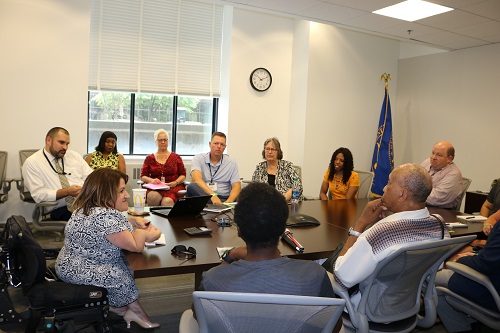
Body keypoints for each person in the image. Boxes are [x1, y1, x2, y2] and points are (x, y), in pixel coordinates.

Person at [55, 168, 162, 329]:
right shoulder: (104, 217)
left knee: (121, 268)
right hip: (79, 270)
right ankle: (129, 310)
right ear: (105, 194)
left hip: (68, 263)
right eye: (121, 191)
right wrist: (150, 234)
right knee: (119, 274)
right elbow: (136, 246)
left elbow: (110, 224)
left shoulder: (88, 208)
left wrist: (132, 220)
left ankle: (129, 310)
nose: (126, 195)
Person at [333, 164, 449, 307]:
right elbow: (434, 268)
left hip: (366, 309)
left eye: (389, 183)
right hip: (408, 306)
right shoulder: (439, 225)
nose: (383, 188)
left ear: (402, 194)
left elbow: (341, 277)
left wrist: (361, 224)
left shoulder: (380, 234)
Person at [199, 182, 334, 296]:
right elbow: (332, 324)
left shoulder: (212, 280)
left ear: (239, 230)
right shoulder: (315, 275)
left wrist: (229, 257)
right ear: (283, 229)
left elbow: (199, 315)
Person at [435, 209, 500, 333]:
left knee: (431, 279)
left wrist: (463, 259)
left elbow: (485, 264)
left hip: (491, 288)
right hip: (492, 277)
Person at [22, 127, 93, 221]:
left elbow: (91, 178)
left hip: (84, 204)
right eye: (61, 142)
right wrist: (67, 192)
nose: (65, 147)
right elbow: (39, 195)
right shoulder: (32, 162)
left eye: (67, 144)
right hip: (60, 208)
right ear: (49, 140)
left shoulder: (74, 156)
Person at [187, 132, 241, 204]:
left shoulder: (231, 163)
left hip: (224, 198)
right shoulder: (198, 159)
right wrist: (213, 195)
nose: (219, 146)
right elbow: (196, 179)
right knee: (191, 187)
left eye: (222, 144)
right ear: (210, 144)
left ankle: (217, 206)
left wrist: (229, 202)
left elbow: (236, 186)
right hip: (205, 195)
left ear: (225, 147)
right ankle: (216, 206)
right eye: (216, 143)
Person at [140, 129, 186, 206]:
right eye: (160, 140)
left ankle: (167, 218)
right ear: (156, 142)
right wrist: (152, 180)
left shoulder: (176, 157)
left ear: (168, 141)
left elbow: (183, 175)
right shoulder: (149, 158)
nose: (163, 142)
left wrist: (175, 182)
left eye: (165, 140)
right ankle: (152, 218)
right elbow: (143, 176)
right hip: (155, 187)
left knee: (167, 202)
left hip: (172, 187)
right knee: (152, 197)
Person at [251, 137, 303, 201]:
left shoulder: (287, 167)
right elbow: (253, 189)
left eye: (273, 149)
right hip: (264, 205)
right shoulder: (259, 168)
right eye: (267, 149)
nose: (269, 152)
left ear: (278, 152)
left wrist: (284, 199)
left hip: (286, 204)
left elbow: (298, 185)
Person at [420, 141, 463, 209]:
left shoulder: (454, 174)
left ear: (449, 159)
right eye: (433, 153)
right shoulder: (427, 162)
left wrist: (413, 194)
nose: (433, 157)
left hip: (441, 212)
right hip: (422, 207)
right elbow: (414, 180)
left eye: (439, 155)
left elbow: (435, 198)